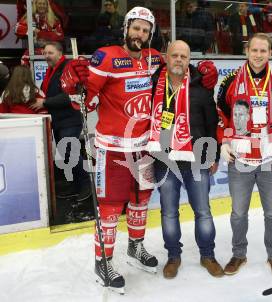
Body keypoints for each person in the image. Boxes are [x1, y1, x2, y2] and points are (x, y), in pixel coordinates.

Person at [60, 7, 219, 294]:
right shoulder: (106, 56)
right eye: (136, 28)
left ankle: (135, 247)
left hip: (146, 148)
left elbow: (180, 70)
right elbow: (85, 101)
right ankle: (103, 261)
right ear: (126, 28)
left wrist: (204, 76)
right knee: (109, 209)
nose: (140, 35)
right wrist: (73, 83)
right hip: (113, 149)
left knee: (141, 200)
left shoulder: (154, 59)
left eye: (145, 31)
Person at [217, 33, 272, 277]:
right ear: (247, 51)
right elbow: (220, 113)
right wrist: (223, 143)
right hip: (240, 160)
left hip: (271, 160)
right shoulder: (231, 80)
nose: (258, 55)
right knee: (238, 212)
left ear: (270, 52)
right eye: (254, 50)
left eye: (263, 51)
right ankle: (238, 254)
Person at [148, 40, 223, 279]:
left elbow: (212, 124)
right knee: (169, 212)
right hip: (165, 160)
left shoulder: (201, 89)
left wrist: (214, 155)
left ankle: (208, 255)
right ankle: (173, 256)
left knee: (203, 211)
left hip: (197, 159)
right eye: (175, 55)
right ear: (166, 58)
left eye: (184, 56)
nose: (179, 60)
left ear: (189, 60)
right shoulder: (153, 86)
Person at [30, 41, 91, 213]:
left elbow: (71, 95)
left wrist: (45, 102)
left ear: (59, 53)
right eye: (44, 53)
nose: (46, 56)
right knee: (65, 154)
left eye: (50, 52)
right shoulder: (52, 71)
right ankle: (75, 186)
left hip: (70, 119)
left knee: (69, 152)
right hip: (59, 120)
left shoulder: (68, 67)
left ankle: (86, 184)